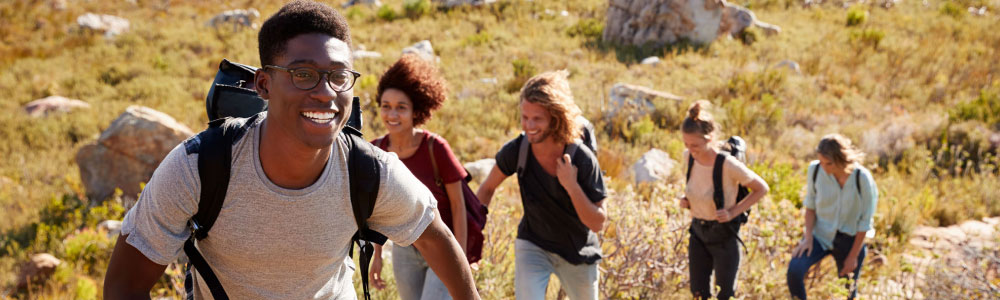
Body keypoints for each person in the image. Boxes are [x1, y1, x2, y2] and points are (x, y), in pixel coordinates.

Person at [103, 1, 479, 299]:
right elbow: (124, 287)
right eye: (303, 74)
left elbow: (434, 236)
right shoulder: (201, 166)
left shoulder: (369, 171)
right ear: (264, 85)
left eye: (338, 76)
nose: (325, 92)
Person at [476, 70, 606, 300]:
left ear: (555, 119)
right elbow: (486, 188)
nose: (529, 125)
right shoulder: (518, 150)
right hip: (533, 244)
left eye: (537, 119)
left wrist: (571, 185)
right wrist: (473, 229)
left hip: (578, 252)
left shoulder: (582, 159)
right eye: (525, 117)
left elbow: (597, 222)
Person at [366, 54, 469, 300]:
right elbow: (375, 211)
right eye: (386, 106)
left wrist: (461, 257)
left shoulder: (436, 148)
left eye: (401, 107)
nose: (392, 114)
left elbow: (458, 206)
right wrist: (377, 257)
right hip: (404, 248)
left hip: (441, 244)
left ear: (416, 111)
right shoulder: (375, 151)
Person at [678, 100, 769, 300]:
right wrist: (687, 200)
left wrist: (733, 212)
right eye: (686, 144)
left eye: (695, 145)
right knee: (698, 294)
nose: (690, 149)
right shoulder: (689, 157)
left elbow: (761, 188)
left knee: (725, 295)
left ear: (709, 139)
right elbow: (698, 187)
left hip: (724, 237)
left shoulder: (728, 164)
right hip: (698, 234)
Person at [787, 134, 877, 300]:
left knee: (849, 292)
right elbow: (810, 207)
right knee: (795, 270)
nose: (824, 167)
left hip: (850, 241)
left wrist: (852, 257)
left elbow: (865, 222)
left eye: (828, 163)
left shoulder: (862, 178)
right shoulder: (815, 170)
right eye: (821, 162)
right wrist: (807, 239)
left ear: (842, 159)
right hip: (820, 236)